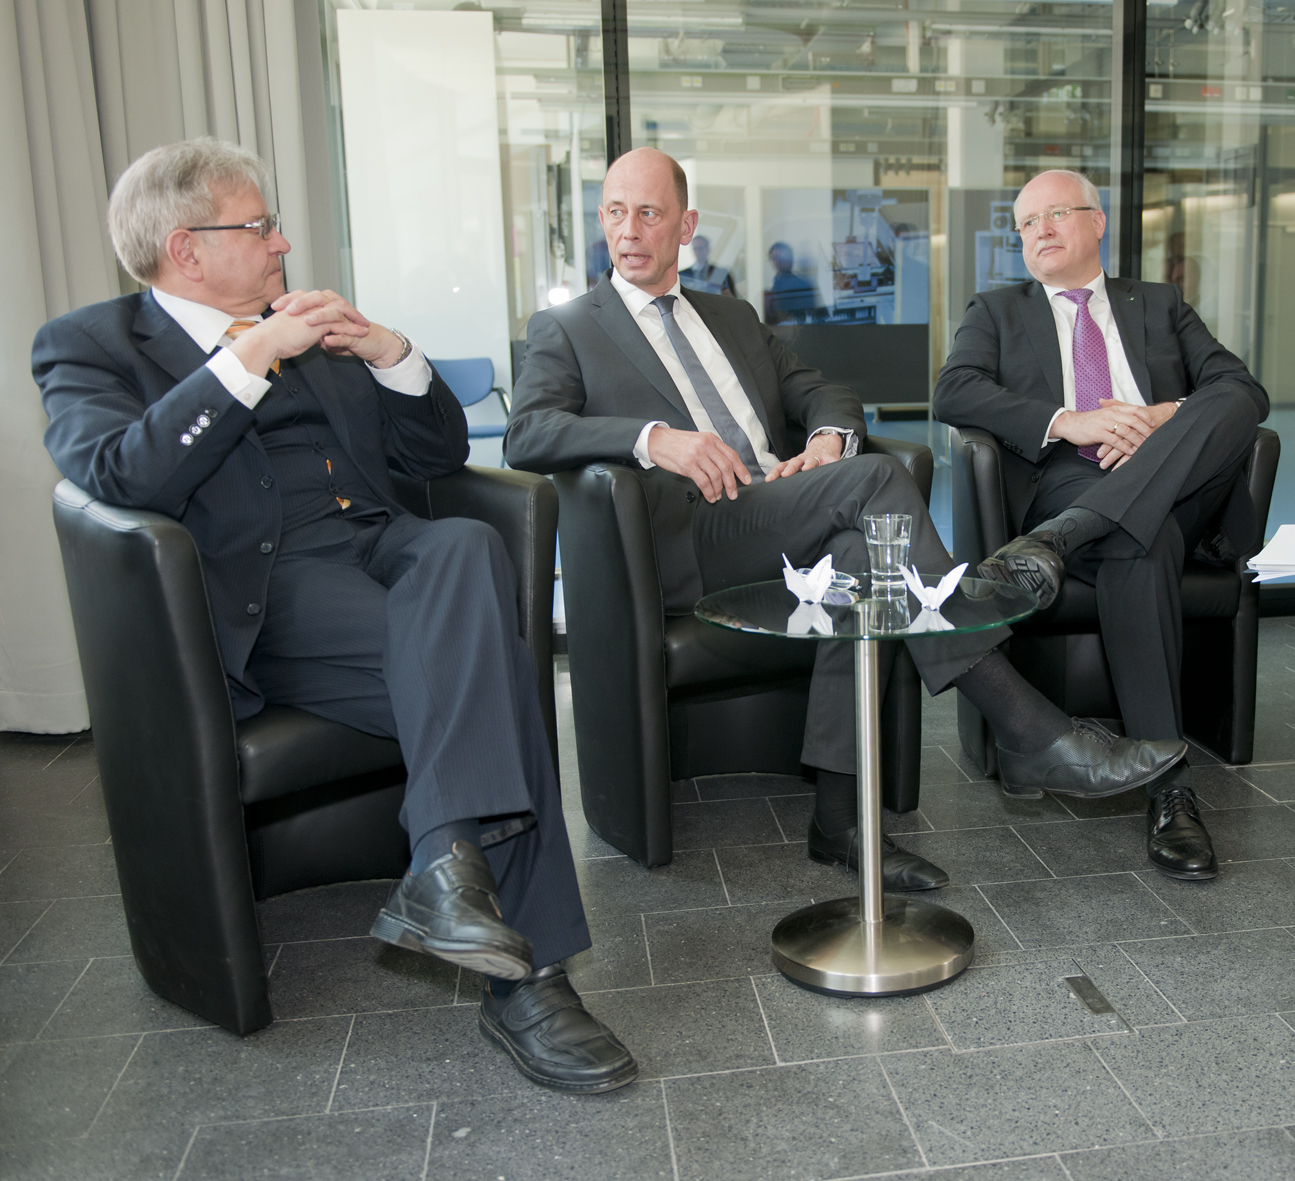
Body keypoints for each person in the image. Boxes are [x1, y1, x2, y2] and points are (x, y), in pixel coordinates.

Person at [33, 138, 634, 1094]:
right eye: (259, 225)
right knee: (492, 669)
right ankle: (534, 983)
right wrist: (250, 359)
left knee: (466, 545)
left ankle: (443, 870)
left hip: (384, 546)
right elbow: (116, 474)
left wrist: (391, 354)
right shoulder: (93, 345)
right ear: (186, 249)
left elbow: (436, 454)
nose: (280, 244)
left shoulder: (309, 322)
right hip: (265, 595)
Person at [504, 148, 1191, 890]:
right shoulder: (569, 327)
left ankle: (840, 823)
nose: (628, 230)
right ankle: (1026, 727)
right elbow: (529, 431)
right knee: (877, 484)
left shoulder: (730, 316)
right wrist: (650, 438)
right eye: (614, 211)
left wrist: (830, 437)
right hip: (690, 536)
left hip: (780, 512)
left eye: (648, 212)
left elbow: (824, 391)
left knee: (868, 559)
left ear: (686, 225)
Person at [933, 169, 1270, 883]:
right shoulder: (997, 310)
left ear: (1098, 222)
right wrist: (1073, 421)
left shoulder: (1159, 303)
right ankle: (1170, 786)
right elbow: (952, 390)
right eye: (1027, 223)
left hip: (1177, 482)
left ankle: (1061, 539)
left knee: (1233, 399)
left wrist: (1155, 422)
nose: (1041, 231)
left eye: (1057, 214)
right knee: (1138, 545)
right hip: (1073, 473)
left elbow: (1239, 390)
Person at [763, 241, 823, 323]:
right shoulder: (775, 285)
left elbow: (811, 316)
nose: (777, 261)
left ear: (790, 259)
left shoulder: (802, 285)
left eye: (780, 257)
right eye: (773, 258)